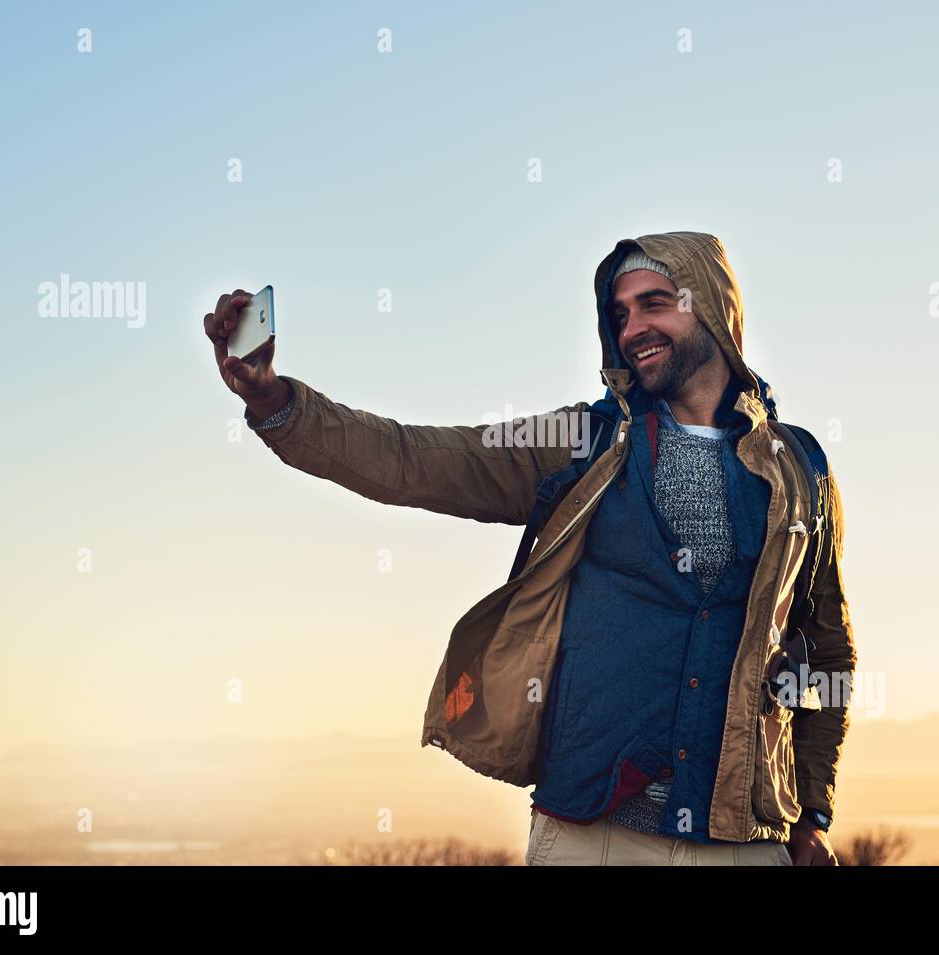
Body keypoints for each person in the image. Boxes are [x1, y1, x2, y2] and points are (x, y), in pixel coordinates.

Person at [203, 231, 857, 866]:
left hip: (745, 839)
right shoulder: (584, 442)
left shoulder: (799, 467)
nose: (632, 328)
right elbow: (413, 460)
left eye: (655, 303)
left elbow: (827, 650)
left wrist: (813, 815)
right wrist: (275, 400)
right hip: (590, 834)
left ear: (714, 307)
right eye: (620, 313)